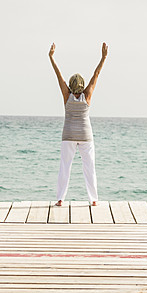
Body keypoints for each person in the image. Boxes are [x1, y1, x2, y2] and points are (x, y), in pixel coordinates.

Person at [49, 42, 108, 207]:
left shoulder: (66, 95)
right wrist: (103, 57)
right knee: (89, 167)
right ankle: (93, 199)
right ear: (82, 86)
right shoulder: (87, 95)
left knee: (64, 167)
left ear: (70, 85)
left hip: (68, 135)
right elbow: (96, 74)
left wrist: (51, 57)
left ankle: (60, 199)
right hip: (85, 135)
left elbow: (58, 75)